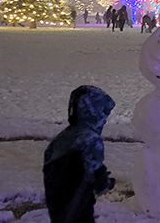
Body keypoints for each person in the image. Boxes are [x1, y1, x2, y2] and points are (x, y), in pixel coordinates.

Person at [43, 86, 116, 223]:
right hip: (78, 202)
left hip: (57, 202)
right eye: (103, 112)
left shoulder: (64, 137)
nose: (104, 119)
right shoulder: (90, 140)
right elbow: (95, 174)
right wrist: (104, 181)